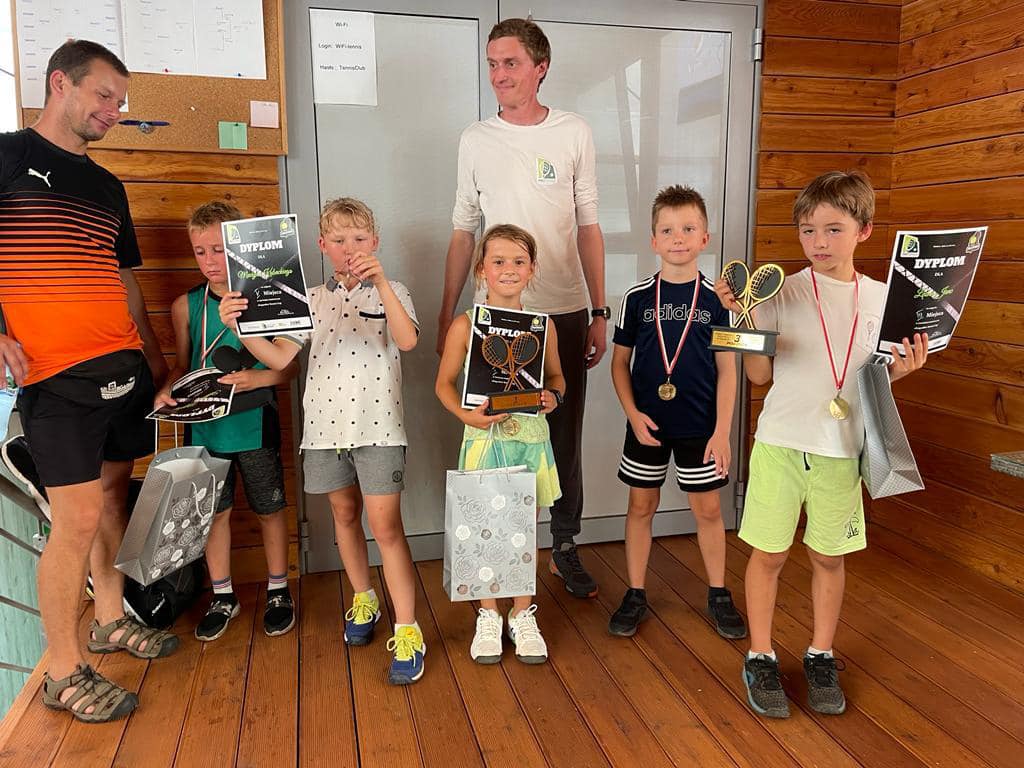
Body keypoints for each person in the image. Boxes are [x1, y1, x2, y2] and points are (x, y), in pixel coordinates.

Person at [0, 40, 176, 723]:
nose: (114, 111)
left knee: (109, 501)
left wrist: (153, 356)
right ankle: (63, 672)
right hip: (54, 378)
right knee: (73, 522)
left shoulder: (108, 187)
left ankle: (109, 619)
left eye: (120, 102)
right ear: (60, 84)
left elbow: (124, 279)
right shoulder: (9, 156)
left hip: (121, 369)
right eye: (104, 95)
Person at [714, 171, 929, 719]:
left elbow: (873, 377)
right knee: (768, 554)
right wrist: (740, 318)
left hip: (841, 449)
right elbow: (759, 375)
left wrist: (902, 371)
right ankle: (760, 655)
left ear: (864, 230)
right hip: (780, 444)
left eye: (834, 229)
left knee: (829, 557)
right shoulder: (781, 291)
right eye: (808, 230)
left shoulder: (883, 300)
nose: (819, 243)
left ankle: (821, 654)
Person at [220, 198, 426, 684]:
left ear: (375, 242)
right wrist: (238, 326)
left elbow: (408, 341)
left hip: (379, 427)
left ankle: (408, 628)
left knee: (387, 528)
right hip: (324, 431)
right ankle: (363, 598)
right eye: (338, 240)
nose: (349, 248)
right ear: (321, 245)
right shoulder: (309, 298)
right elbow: (278, 359)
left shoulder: (394, 289)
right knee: (344, 516)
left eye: (359, 238)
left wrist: (381, 284)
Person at [437, 18, 607, 598]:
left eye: (510, 63)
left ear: (540, 67)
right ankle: (501, 553)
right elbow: (463, 232)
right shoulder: (475, 139)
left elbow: (589, 227)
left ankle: (564, 546)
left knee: (562, 433)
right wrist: (448, 312)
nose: (498, 74)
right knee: (499, 434)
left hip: (563, 310)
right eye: (491, 63)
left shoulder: (574, 132)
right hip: (494, 318)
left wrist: (599, 311)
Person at [153, 201, 299, 642]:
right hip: (204, 427)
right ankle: (222, 596)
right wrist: (166, 390)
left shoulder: (266, 298)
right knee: (214, 514)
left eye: (218, 249)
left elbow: (289, 368)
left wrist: (259, 377)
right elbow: (182, 365)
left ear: (238, 248)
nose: (210, 261)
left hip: (254, 421)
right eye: (200, 251)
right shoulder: (186, 305)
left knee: (270, 508)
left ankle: (279, 590)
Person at [607, 185, 746, 640]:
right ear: (653, 240)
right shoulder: (636, 298)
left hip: (700, 426)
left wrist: (722, 432)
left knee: (708, 509)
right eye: (667, 230)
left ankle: (719, 592)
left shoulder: (719, 301)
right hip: (646, 424)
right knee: (640, 505)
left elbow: (728, 371)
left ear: (705, 237)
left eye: (688, 228)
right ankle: (635, 592)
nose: (678, 237)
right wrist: (632, 414)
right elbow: (619, 364)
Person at [436, 224, 565, 664]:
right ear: (481, 270)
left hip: (530, 439)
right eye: (498, 261)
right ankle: (488, 613)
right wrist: (464, 415)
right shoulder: (464, 325)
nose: (509, 269)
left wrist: (554, 397)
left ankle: (522, 612)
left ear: (532, 269)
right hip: (483, 438)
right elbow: (443, 384)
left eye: (519, 261)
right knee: (483, 528)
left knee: (524, 528)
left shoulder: (543, 327)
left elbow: (557, 378)